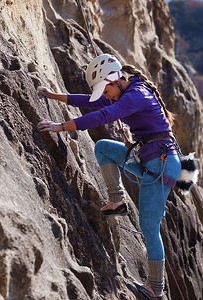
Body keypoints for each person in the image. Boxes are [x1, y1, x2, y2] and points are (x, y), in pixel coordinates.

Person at [36, 53, 180, 299]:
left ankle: (156, 287)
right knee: (103, 147)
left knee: (149, 227)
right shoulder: (125, 91)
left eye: (105, 90)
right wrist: (53, 95)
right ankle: (118, 201)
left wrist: (61, 126)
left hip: (162, 162)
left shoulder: (137, 95)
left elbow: (102, 115)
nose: (104, 96)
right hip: (150, 158)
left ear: (115, 80)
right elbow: (93, 103)